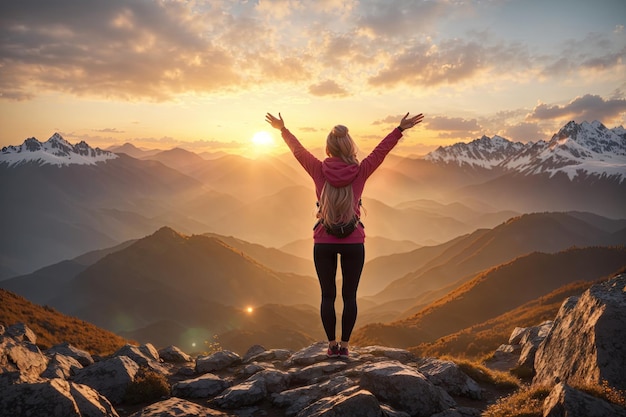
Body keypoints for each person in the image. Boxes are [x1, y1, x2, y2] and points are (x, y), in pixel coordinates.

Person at [265, 111, 424, 358]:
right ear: (349, 146)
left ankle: (331, 346)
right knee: (349, 296)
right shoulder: (360, 172)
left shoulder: (318, 169)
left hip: (323, 241)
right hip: (354, 241)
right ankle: (346, 348)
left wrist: (283, 130)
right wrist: (399, 130)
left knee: (327, 295)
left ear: (328, 148)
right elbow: (380, 153)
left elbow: (298, 152)